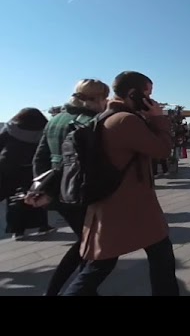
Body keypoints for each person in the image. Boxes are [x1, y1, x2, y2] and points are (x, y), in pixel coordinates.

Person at [61, 71, 179, 296]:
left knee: (152, 254)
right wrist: (158, 118)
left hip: (121, 204)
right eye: (148, 94)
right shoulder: (125, 120)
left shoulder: (111, 116)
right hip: (127, 206)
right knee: (100, 267)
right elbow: (162, 149)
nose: (152, 100)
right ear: (133, 94)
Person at [32, 79, 110, 296]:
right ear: (96, 99)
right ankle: (70, 291)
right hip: (79, 190)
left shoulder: (55, 119)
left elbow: (40, 157)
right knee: (88, 245)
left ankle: (71, 291)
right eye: (104, 98)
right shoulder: (90, 121)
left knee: (84, 242)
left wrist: (43, 188)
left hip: (59, 191)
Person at [0, 108, 53, 239]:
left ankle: (17, 231)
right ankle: (42, 226)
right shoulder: (44, 130)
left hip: (10, 166)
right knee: (37, 195)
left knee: (14, 198)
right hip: (34, 167)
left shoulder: (10, 129)